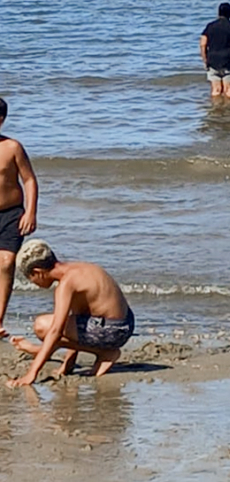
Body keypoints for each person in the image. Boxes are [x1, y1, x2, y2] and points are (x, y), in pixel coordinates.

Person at [7, 239, 134, 385]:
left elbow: (56, 331)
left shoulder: (66, 284)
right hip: (126, 323)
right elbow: (77, 318)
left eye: (31, 278)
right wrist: (69, 363)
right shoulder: (78, 269)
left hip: (112, 331)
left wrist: (31, 374)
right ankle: (100, 353)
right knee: (60, 325)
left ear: (38, 273)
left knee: (42, 326)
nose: (33, 283)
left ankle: (105, 353)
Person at [0, 98, 38, 338]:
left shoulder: (12, 147)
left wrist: (31, 211)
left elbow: (30, 180)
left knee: (5, 263)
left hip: (12, 213)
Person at [200, 2, 230, 99]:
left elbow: (203, 44)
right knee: (229, 91)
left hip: (213, 61)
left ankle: (216, 111)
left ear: (218, 13)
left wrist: (205, 60)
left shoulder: (210, 26)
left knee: (216, 90)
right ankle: (229, 111)